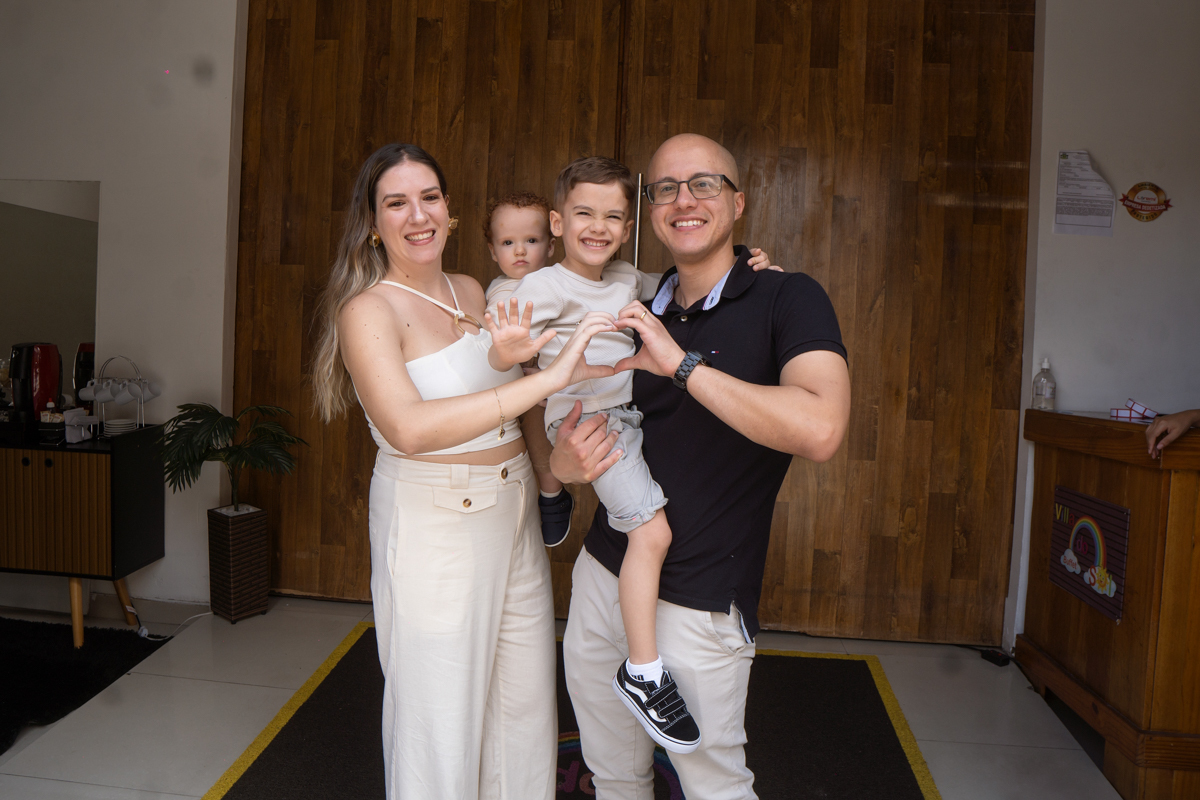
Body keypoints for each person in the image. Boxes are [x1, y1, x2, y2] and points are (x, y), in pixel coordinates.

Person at [311, 143, 617, 800]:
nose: (418, 215)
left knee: (523, 718)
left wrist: (553, 473)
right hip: (436, 524)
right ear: (373, 221)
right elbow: (408, 429)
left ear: (449, 210)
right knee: (440, 725)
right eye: (397, 202)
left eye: (429, 198)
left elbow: (514, 397)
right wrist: (544, 380)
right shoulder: (367, 309)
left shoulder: (473, 290)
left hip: (512, 510)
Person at [550, 134, 852, 798]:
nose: (683, 200)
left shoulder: (787, 297)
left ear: (737, 203)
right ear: (651, 211)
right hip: (605, 575)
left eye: (704, 184)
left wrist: (682, 366)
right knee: (613, 775)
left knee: (715, 787)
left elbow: (822, 429)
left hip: (703, 602)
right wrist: (565, 465)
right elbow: (584, 433)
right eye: (665, 189)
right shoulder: (636, 299)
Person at [481, 190, 778, 550]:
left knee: (651, 515)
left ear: (551, 241)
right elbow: (494, 347)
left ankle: (561, 497)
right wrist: (520, 365)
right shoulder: (514, 291)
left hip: (619, 408)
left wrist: (745, 273)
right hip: (573, 409)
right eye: (508, 242)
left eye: (531, 240)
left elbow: (676, 285)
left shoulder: (617, 277)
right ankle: (551, 494)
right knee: (647, 529)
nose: (520, 251)